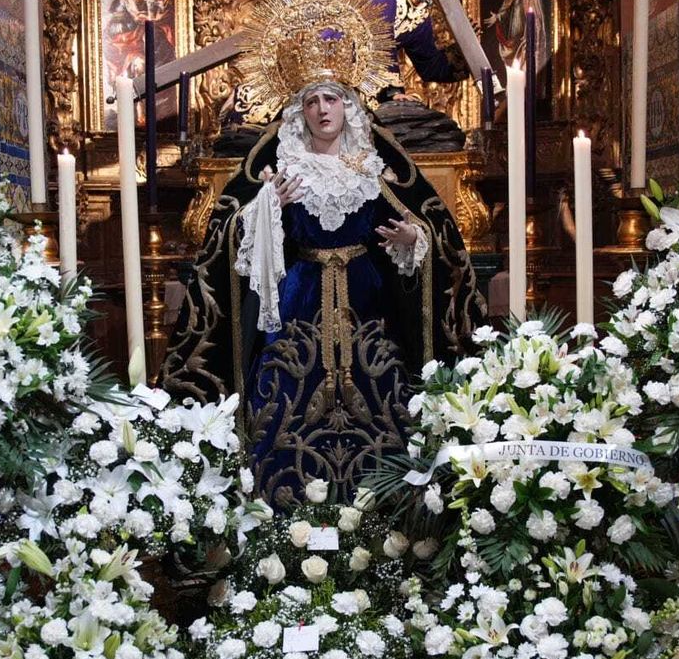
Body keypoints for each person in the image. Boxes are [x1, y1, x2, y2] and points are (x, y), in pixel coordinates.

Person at [163, 74, 483, 507]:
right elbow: (231, 237)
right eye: (311, 100)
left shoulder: (373, 167)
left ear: (348, 106)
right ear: (300, 112)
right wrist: (267, 209)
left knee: (387, 397)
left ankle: (385, 510)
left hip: (368, 305)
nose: (322, 109)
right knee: (282, 397)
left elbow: (427, 226)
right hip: (298, 303)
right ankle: (283, 511)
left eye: (331, 98)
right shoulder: (281, 168)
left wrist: (413, 239)